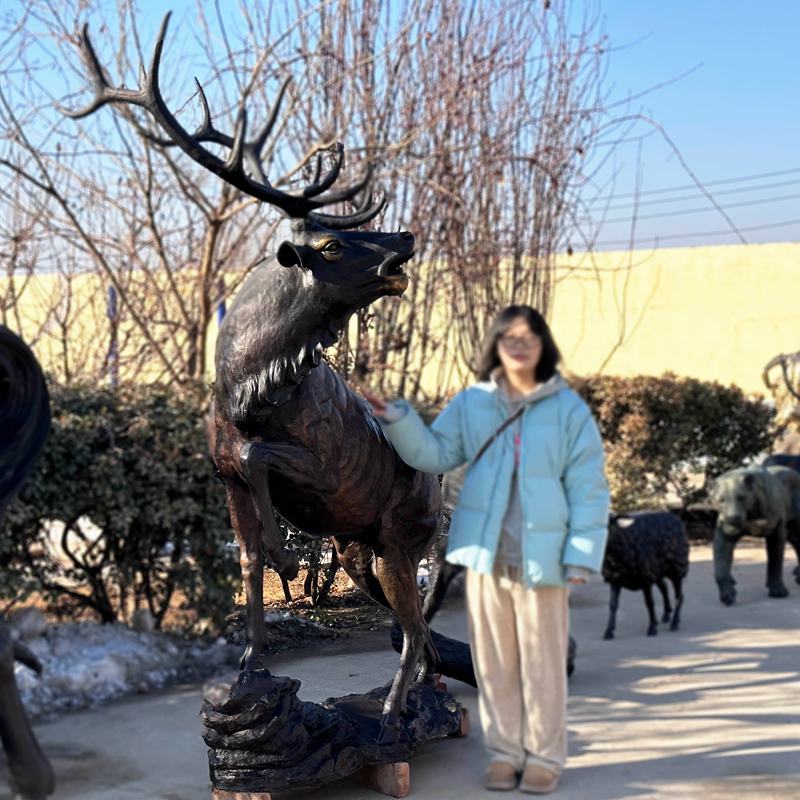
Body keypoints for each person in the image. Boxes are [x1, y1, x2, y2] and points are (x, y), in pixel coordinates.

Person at [362, 305, 609, 794]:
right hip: (486, 555)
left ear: (543, 345)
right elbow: (433, 455)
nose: (518, 345)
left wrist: (582, 550)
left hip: (543, 557)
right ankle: (506, 754)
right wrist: (396, 418)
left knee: (540, 661)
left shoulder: (566, 410)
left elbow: (588, 485)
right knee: (495, 664)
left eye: (528, 336)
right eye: (508, 336)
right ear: (495, 345)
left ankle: (543, 757)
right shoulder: (473, 404)